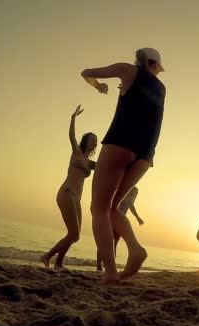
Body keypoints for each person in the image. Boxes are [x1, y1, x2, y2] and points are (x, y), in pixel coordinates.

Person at [81, 48, 166, 283]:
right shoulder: (161, 88)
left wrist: (97, 86)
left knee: (99, 209)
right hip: (145, 155)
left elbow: (85, 72)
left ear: (138, 60)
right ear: (156, 65)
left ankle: (109, 272)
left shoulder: (127, 70)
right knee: (114, 208)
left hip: (119, 143)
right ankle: (135, 248)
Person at [41, 105, 97, 270]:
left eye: (96, 141)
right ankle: (48, 257)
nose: (95, 143)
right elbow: (71, 136)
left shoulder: (91, 163)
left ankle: (57, 262)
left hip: (77, 198)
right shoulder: (77, 152)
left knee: (76, 235)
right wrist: (73, 118)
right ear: (86, 141)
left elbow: (108, 167)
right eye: (92, 140)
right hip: (66, 193)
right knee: (73, 233)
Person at [96, 187, 144, 271]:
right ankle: (98, 265)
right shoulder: (121, 186)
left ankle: (111, 266)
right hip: (110, 217)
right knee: (104, 242)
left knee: (114, 244)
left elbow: (131, 205)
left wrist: (137, 217)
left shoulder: (135, 190)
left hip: (121, 221)